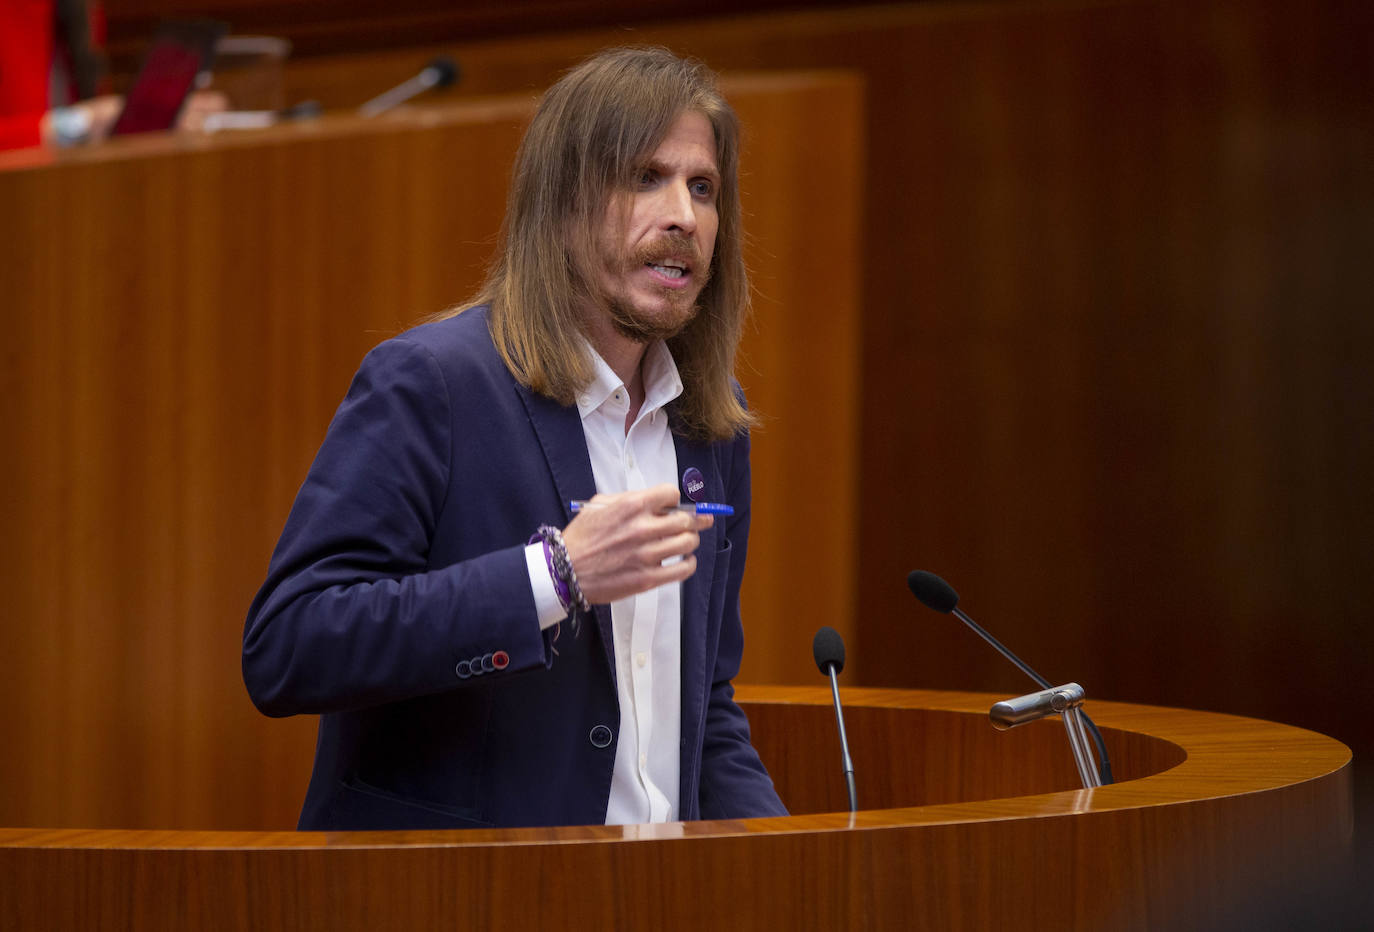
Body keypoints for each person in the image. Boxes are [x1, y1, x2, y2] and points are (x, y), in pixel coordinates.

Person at [242, 46, 788, 830]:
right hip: (460, 896)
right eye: (645, 177)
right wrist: (553, 577)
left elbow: (700, 708)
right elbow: (289, 646)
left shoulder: (709, 421)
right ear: (561, 204)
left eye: (702, 188)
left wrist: (795, 867)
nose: (683, 216)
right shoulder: (433, 385)